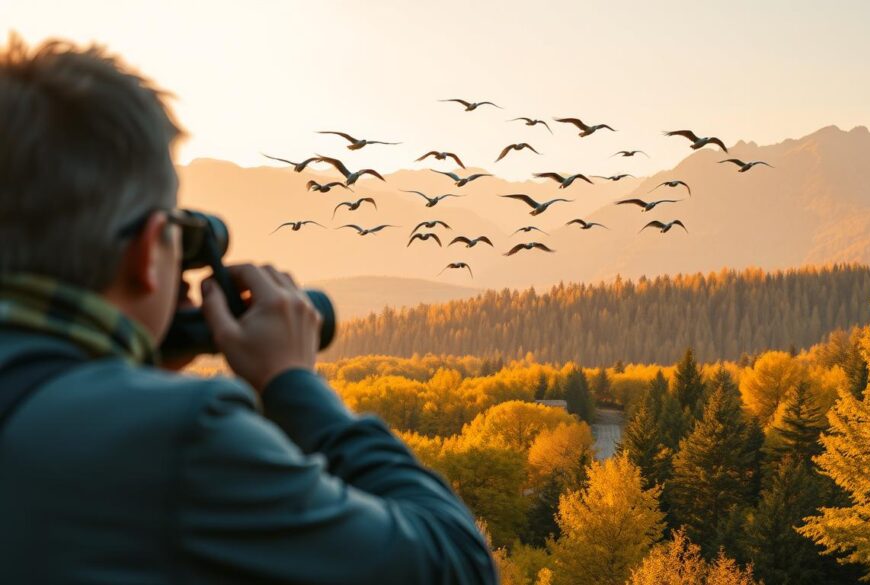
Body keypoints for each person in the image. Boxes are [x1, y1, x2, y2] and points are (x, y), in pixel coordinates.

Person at [0, 35, 497, 584]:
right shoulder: (181, 438)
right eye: (179, 239)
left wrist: (127, 370)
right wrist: (291, 383)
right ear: (149, 250)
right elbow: (455, 567)